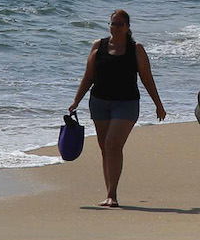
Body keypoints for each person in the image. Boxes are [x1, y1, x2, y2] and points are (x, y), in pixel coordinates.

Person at [68, 10, 167, 207]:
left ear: (128, 27)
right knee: (105, 148)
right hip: (99, 102)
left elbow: (147, 78)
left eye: (120, 24)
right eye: (113, 24)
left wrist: (158, 104)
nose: (116, 27)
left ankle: (112, 194)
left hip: (127, 103)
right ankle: (109, 192)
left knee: (113, 144)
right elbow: (88, 76)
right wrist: (76, 101)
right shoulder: (99, 46)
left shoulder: (136, 49)